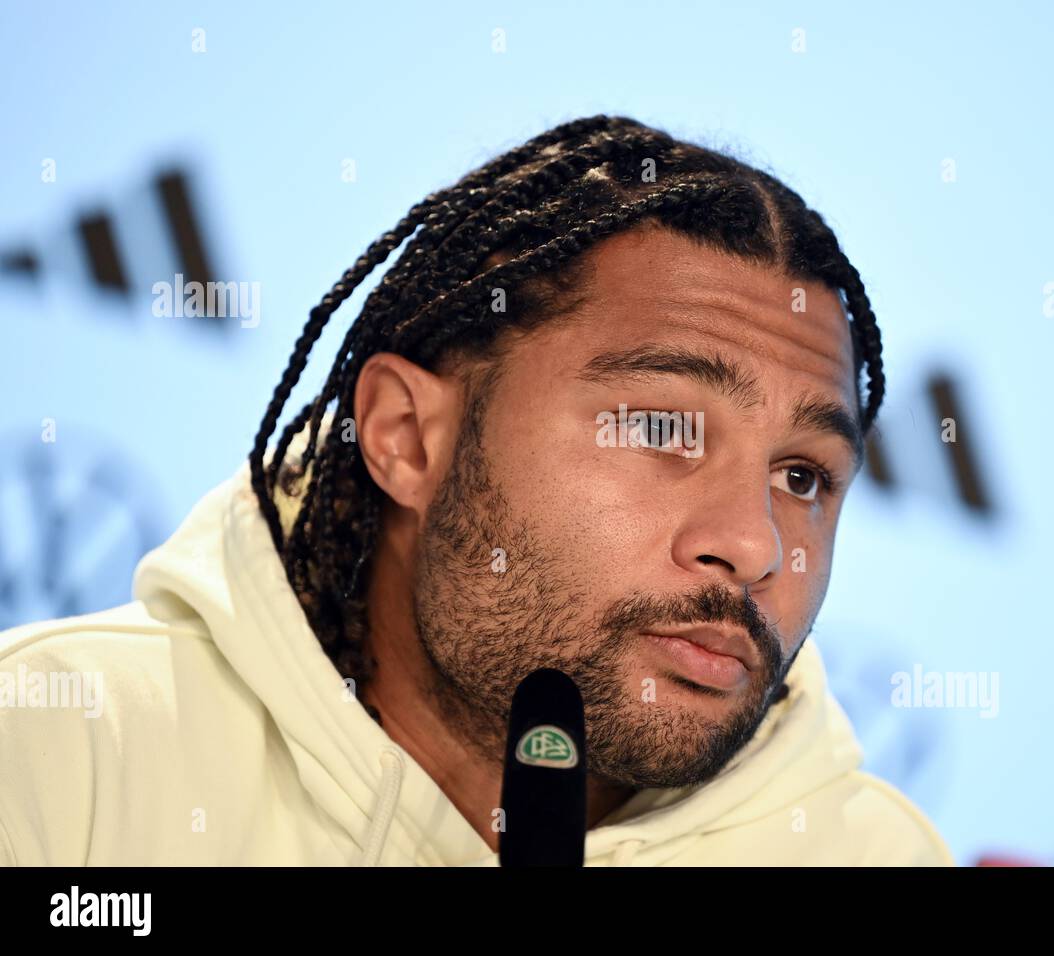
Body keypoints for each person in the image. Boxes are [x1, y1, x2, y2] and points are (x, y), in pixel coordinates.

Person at [0, 114, 952, 866]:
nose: (754, 544)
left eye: (803, 476)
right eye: (664, 430)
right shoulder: (54, 760)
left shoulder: (871, 858)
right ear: (406, 438)